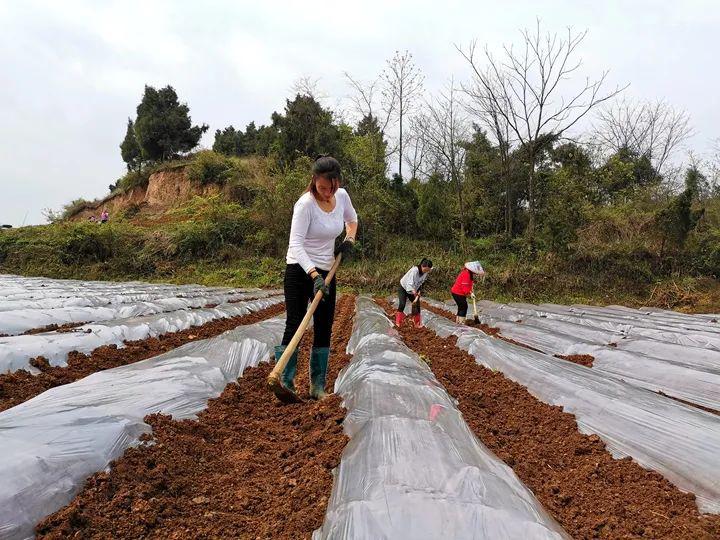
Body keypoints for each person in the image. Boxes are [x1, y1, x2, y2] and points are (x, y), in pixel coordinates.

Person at [275, 155, 358, 399]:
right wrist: (313, 275)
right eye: (323, 187)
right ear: (314, 181)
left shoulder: (341, 196)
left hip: (327, 270)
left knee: (323, 326)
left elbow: (352, 220)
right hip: (300, 269)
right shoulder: (305, 205)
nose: (327, 192)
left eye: (332, 187)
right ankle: (285, 381)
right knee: (296, 322)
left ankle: (317, 387)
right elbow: (296, 245)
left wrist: (349, 239)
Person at [395, 258, 433, 328]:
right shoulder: (414, 271)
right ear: (422, 266)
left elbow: (421, 283)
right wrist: (414, 291)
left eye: (428, 270)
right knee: (402, 304)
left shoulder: (426, 272)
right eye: (425, 270)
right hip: (403, 288)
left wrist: (418, 292)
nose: (426, 272)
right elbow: (409, 283)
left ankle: (417, 323)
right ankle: (398, 322)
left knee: (417, 306)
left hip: (414, 289)